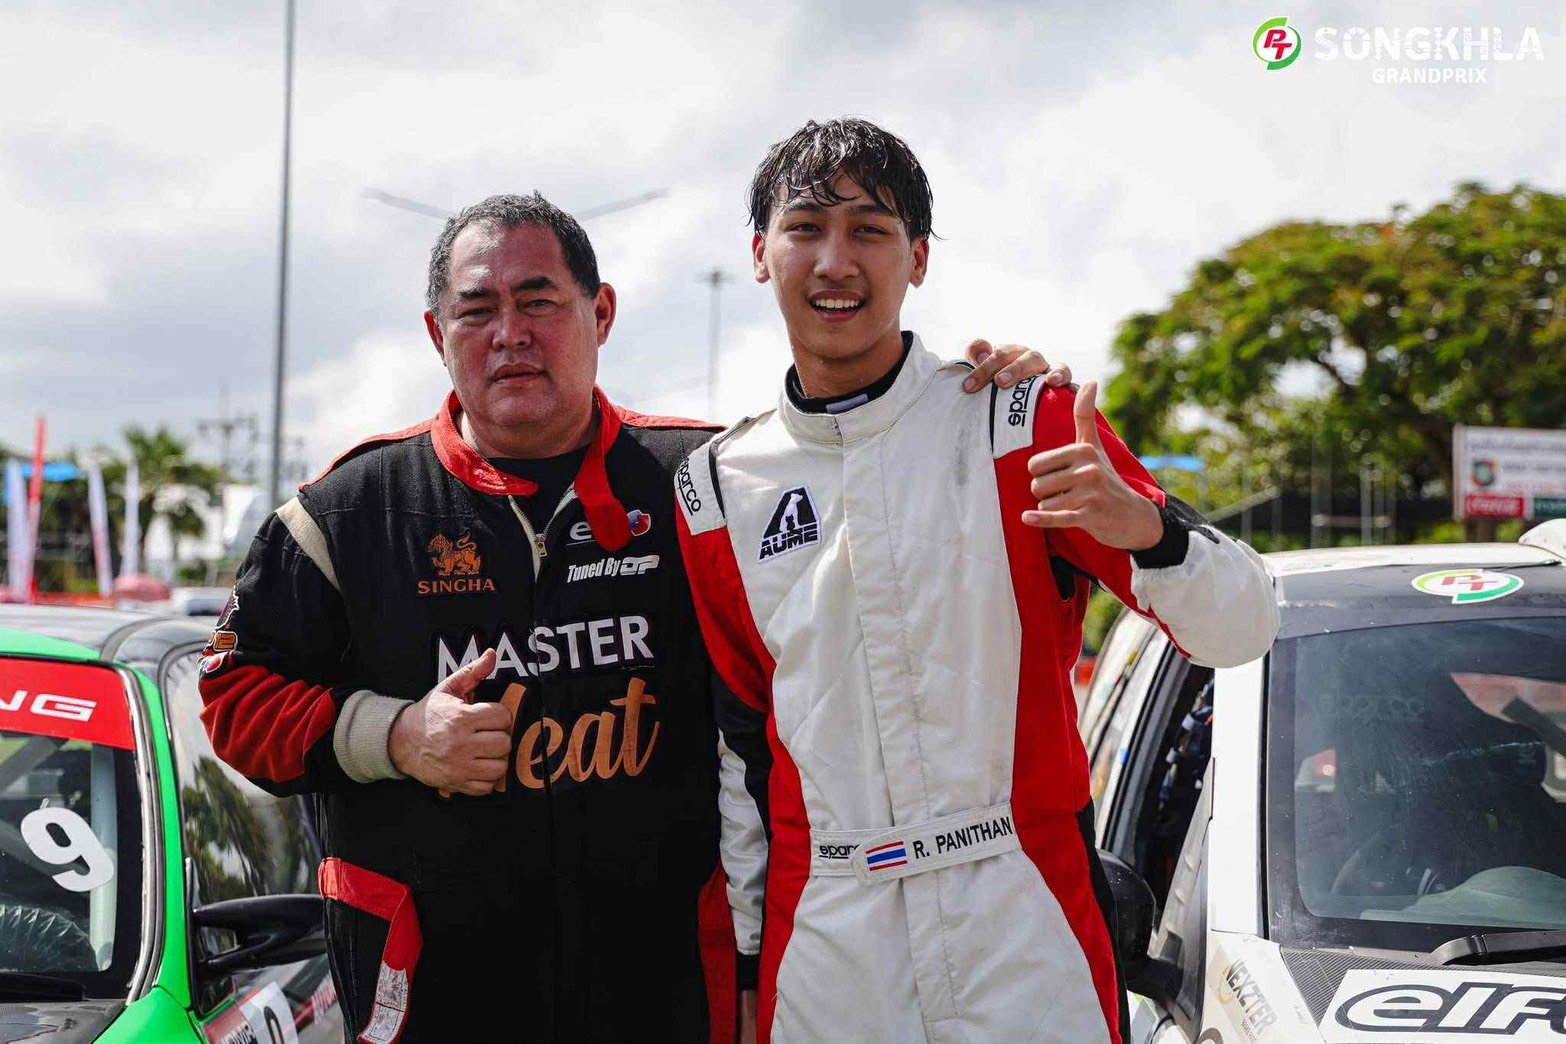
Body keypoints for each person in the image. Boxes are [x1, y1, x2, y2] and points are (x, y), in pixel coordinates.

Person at [197, 192, 1067, 1043]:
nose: (510, 333)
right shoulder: (350, 513)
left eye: (539, 301)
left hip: (675, 994)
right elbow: (234, 698)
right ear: (437, 334)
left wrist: (974, 403)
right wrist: (396, 736)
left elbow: (875, 593)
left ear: (601, 313)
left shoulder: (713, 483)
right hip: (437, 1002)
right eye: (477, 310)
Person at [674, 119, 1280, 1044]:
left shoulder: (1023, 422)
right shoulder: (715, 490)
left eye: (870, 230)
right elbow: (740, 756)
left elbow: (1244, 630)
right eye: (805, 228)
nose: (835, 261)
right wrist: (752, 966)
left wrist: (1150, 531)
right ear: (761, 253)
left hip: (1024, 922)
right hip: (828, 951)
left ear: (917, 258)